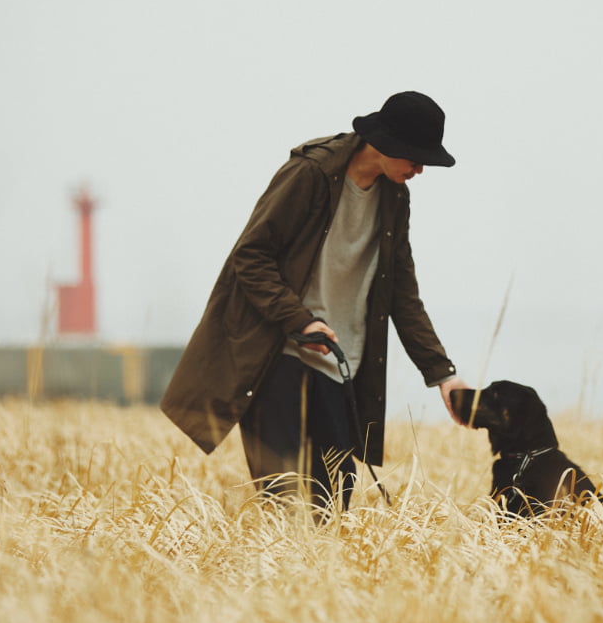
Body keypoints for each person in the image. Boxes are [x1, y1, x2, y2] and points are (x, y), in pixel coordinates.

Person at [160, 90, 469, 510]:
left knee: (333, 501)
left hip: (342, 365)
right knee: (285, 499)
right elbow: (250, 256)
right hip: (278, 354)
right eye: (416, 158)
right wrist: (299, 320)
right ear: (385, 145)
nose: (420, 170)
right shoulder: (310, 174)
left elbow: (402, 291)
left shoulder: (395, 197)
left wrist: (442, 375)